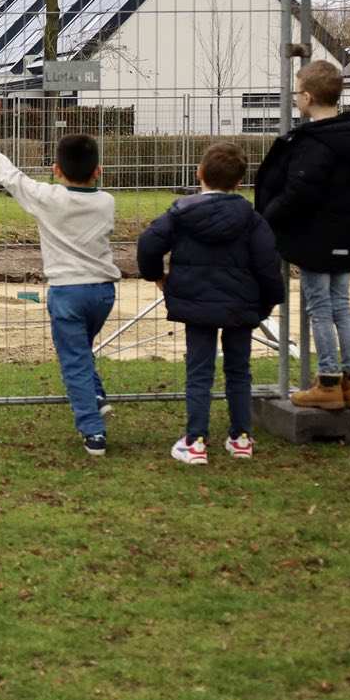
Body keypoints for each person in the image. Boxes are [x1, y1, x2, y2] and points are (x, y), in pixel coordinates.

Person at [0, 134, 120, 457]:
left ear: (55, 170)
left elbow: (12, 177)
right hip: (103, 293)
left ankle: (93, 431)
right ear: (98, 171)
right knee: (81, 350)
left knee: (74, 360)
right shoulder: (107, 202)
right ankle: (95, 396)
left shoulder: (47, 198)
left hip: (67, 292)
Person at [138, 143, 284, 466]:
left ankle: (196, 441)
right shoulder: (252, 220)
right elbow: (268, 265)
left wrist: (156, 276)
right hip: (239, 305)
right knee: (238, 370)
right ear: (240, 183)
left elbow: (148, 243)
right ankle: (241, 437)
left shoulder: (180, 214)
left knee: (199, 371)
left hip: (197, 304)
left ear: (199, 174)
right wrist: (268, 302)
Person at [254, 59, 350, 411]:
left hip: (314, 235)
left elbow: (299, 191)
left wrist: (266, 219)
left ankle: (327, 381)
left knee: (319, 306)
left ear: (308, 97)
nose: (296, 99)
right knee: (341, 304)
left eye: (297, 93)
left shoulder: (314, 143)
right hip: (348, 230)